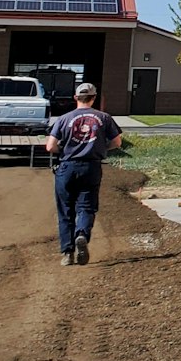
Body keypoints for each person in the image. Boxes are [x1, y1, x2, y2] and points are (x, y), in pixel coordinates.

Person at [44, 82, 121, 266]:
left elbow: (50, 146)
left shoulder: (63, 119)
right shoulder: (104, 117)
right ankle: (82, 234)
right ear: (93, 98)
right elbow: (117, 142)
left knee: (65, 210)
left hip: (67, 167)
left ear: (75, 98)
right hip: (92, 167)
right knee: (86, 207)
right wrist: (102, 148)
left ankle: (67, 253)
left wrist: (64, 151)